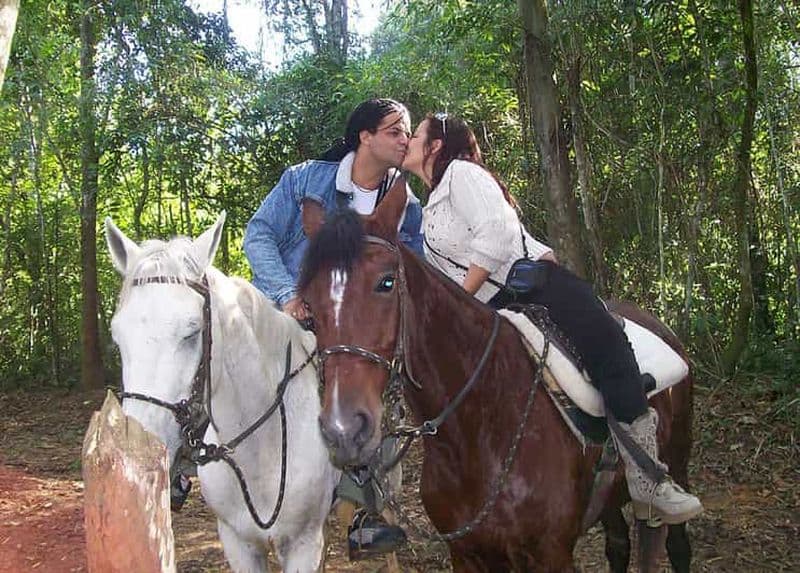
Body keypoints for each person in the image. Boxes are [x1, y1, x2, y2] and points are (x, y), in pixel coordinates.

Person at [401, 112, 703, 526]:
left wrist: (462, 298)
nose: (409, 141)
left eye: (415, 134)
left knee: (607, 344)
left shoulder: (461, 174)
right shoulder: (430, 204)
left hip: (535, 288)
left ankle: (649, 482)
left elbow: (497, 229)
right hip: (492, 307)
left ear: (436, 145)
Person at [244, 98, 420, 558]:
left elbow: (414, 267)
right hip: (293, 316)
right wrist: (287, 294)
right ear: (365, 137)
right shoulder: (306, 180)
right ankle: (183, 463)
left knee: (379, 395)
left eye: (408, 133)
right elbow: (258, 234)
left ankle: (364, 512)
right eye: (396, 132)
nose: (406, 141)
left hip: (356, 332)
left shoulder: (406, 203)